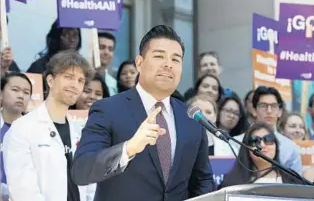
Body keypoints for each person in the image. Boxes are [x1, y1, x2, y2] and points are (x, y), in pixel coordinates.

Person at [71, 25, 214, 201]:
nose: (168, 64)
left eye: (176, 60)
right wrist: (128, 148)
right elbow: (81, 170)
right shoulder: (108, 109)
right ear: (139, 63)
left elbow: (202, 181)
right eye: (159, 56)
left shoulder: (191, 117)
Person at [3, 51, 94, 201]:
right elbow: (23, 192)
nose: (75, 85)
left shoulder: (81, 130)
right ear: (50, 80)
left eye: (80, 80)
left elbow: (90, 186)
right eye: (68, 77)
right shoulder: (22, 129)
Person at [220, 122, 303, 188]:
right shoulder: (232, 183)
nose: (262, 145)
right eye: (255, 141)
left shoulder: (291, 179)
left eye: (268, 139)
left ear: (276, 145)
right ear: (247, 148)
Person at [0, 72, 32, 200]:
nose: (21, 96)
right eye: (15, 90)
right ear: (1, 94)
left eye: (26, 92)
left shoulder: (36, 130)